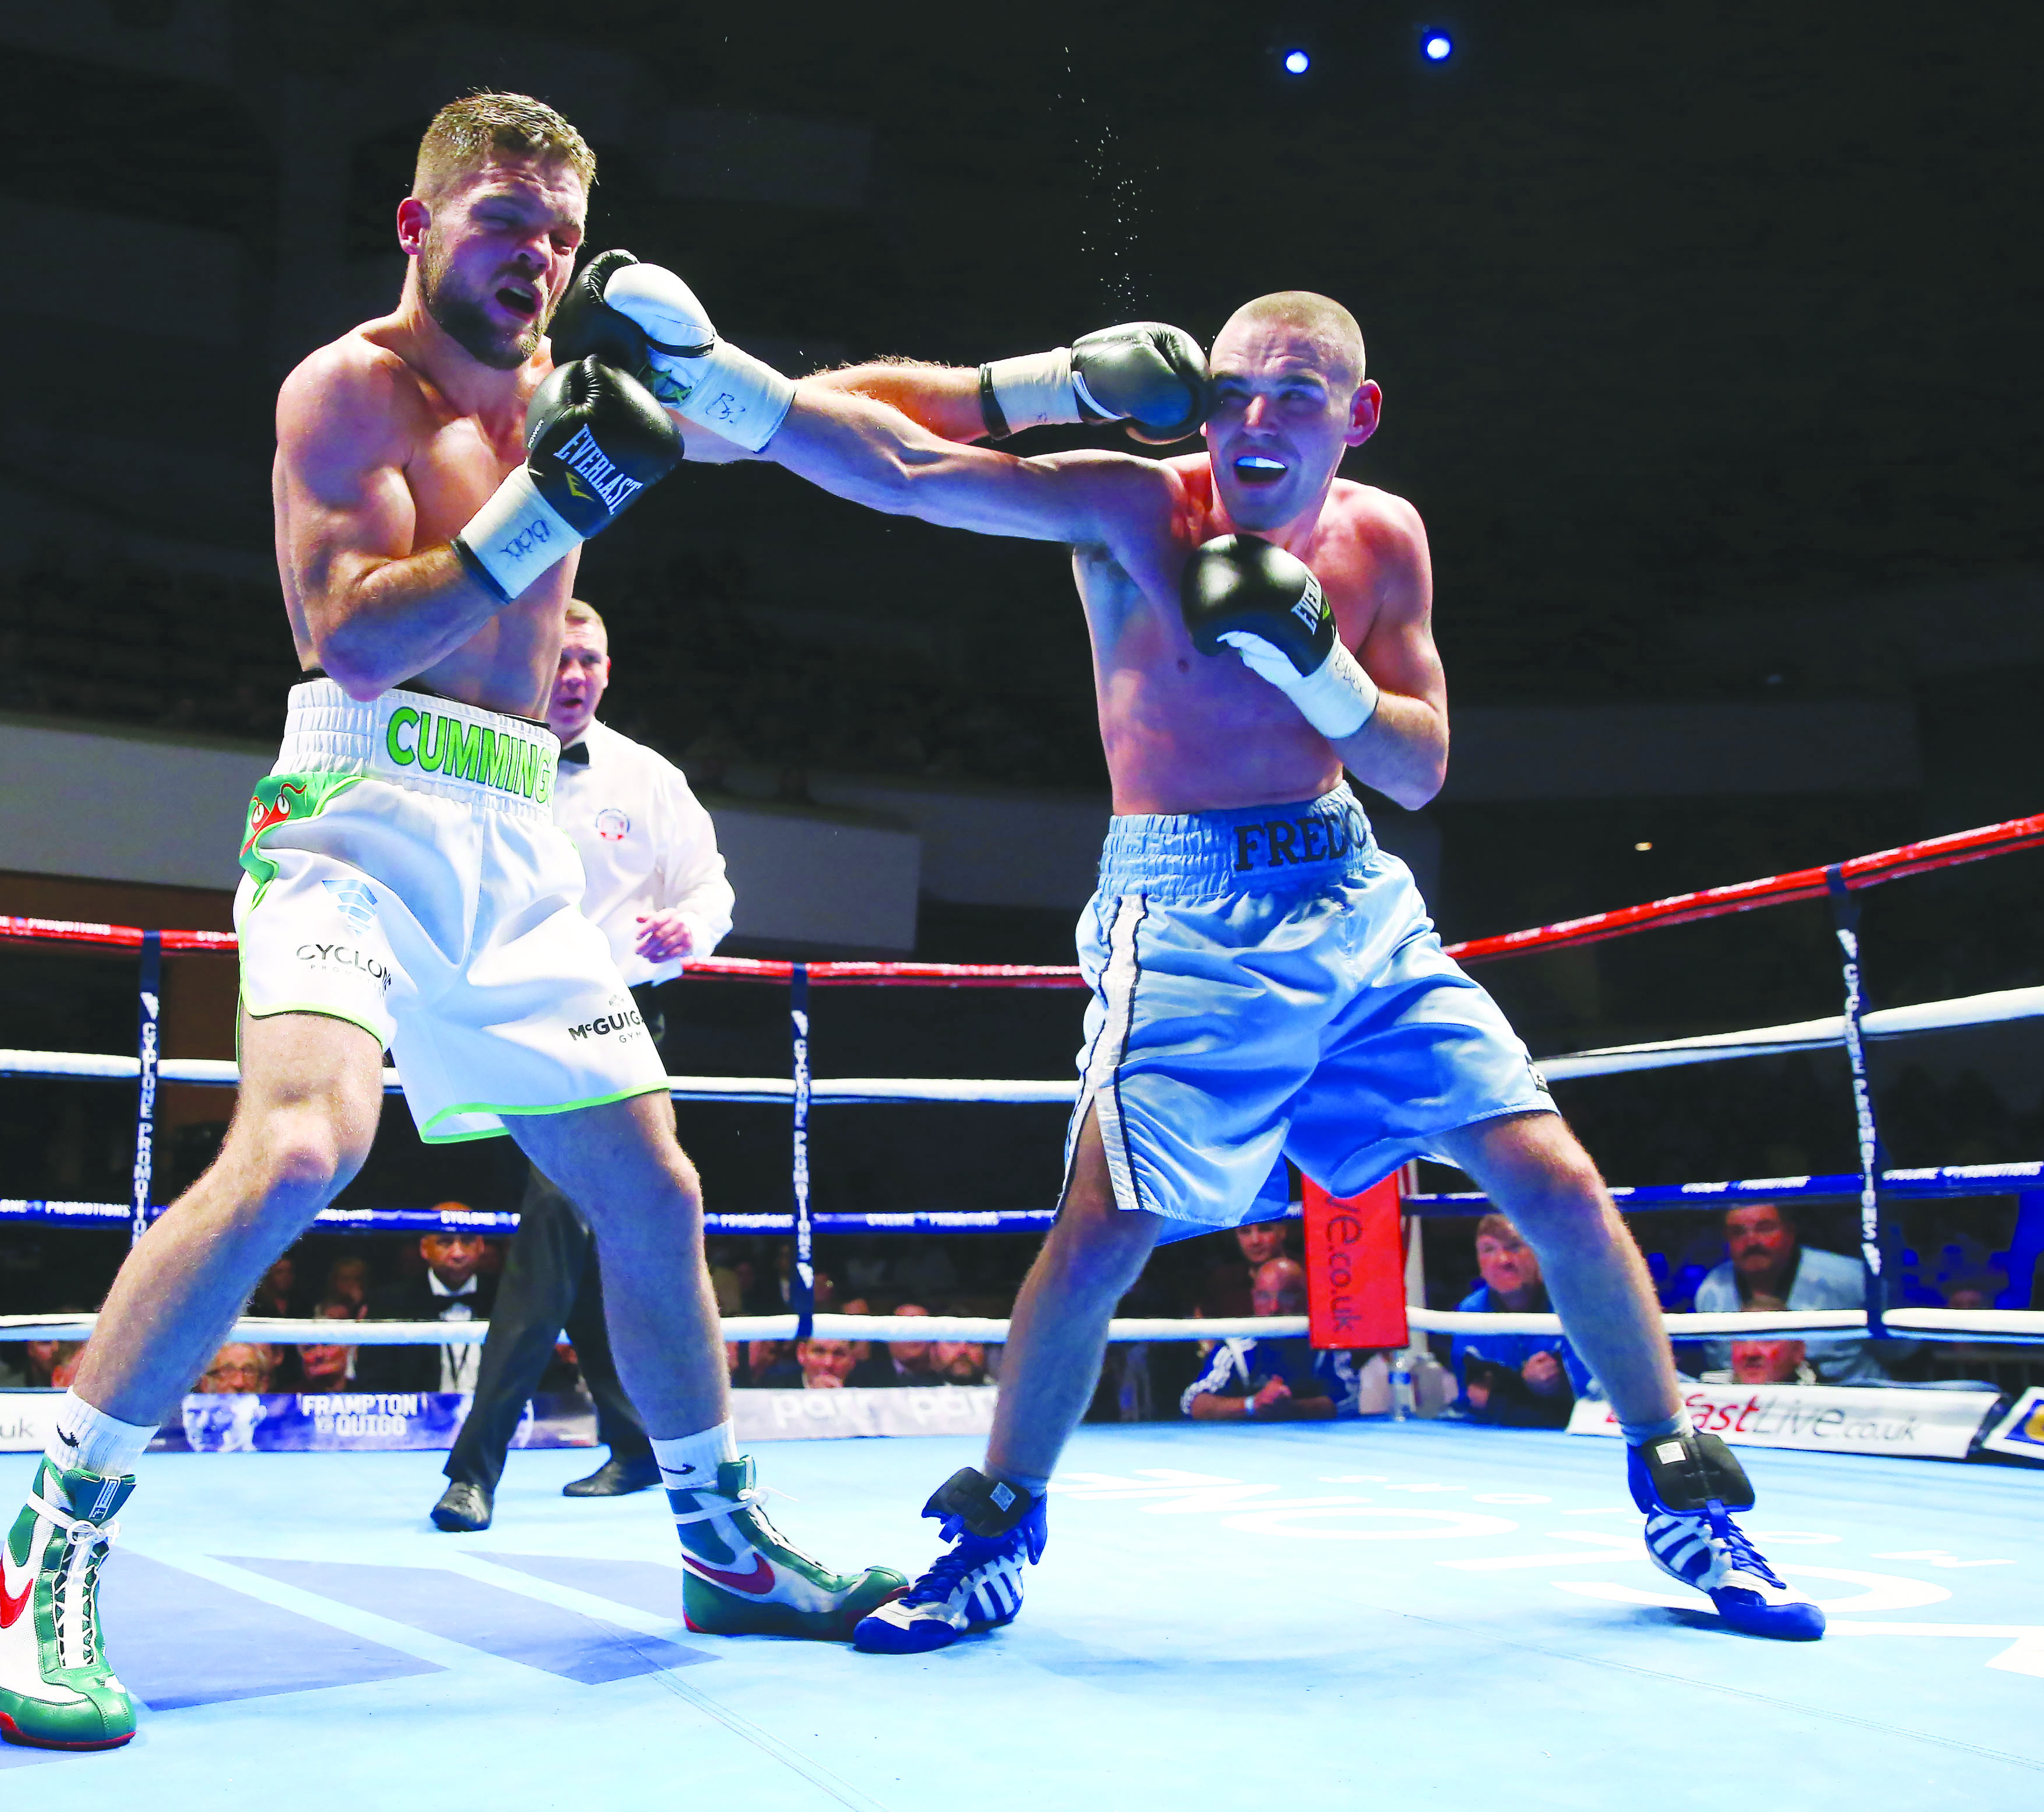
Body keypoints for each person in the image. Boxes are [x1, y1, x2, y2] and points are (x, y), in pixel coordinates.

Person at [549, 261, 1820, 1646]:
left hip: (1349, 890)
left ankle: (1689, 1501)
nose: (1254, 420)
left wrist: (1317, 663)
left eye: (1293, 395)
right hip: (1186, 909)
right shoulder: (1134, 504)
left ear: (1359, 415)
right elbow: (908, 464)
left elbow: (1421, 766)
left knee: (1555, 1177)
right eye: (1229, 394)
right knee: (1104, 1228)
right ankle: (989, 1534)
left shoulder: (1385, 543)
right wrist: (714, 369)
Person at [0, 92, 900, 1753]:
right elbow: (353, 638)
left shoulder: (568, 388)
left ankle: (717, 1535)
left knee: (651, 1182)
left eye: (556, 229)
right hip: (358, 808)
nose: (534, 256)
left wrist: (1035, 398)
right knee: (301, 1148)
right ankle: (44, 1549)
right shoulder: (350, 391)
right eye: (499, 221)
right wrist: (554, 500)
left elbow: (836, 422)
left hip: (513, 825)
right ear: (418, 225)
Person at [430, 596, 734, 1531]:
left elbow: (710, 884)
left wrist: (692, 930)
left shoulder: (647, 778)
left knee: (554, 1232)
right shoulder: (483, 768)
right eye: (558, 658)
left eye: (588, 661)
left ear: (608, 669)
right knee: (588, 1227)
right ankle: (636, 1438)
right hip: (504, 1022)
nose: (572, 677)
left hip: (616, 1023)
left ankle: (473, 1467)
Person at [1694, 1202, 1888, 1383]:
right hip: (1751, 1410)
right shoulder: (1712, 1292)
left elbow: (1902, 1353)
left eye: (1765, 1228)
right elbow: (1722, 1370)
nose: (1751, 1241)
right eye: (1738, 1232)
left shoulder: (1851, 1279)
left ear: (1790, 1232)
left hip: (1859, 1405)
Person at [1448, 1213, 1594, 1428]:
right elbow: (1476, 1400)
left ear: (1539, 1254)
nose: (1503, 1260)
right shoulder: (1471, 1313)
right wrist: (1525, 1385)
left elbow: (1589, 1408)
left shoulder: (1573, 1307)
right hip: (1493, 1439)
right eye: (1489, 1249)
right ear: (1479, 1262)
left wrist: (1558, 1386)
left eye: (1515, 1246)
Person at [1182, 1257, 1355, 1421]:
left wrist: (1294, 1409)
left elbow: (1350, 1401)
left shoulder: (1326, 1345)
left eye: (1286, 1296)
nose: (1274, 1307)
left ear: (1306, 1298)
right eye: (1264, 1296)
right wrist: (1252, 1405)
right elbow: (1194, 1403)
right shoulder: (1238, 1348)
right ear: (1253, 1297)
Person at [370, 1229, 499, 1398]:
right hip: (417, 1421)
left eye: (467, 1241)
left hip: (494, 1420)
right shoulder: (390, 1303)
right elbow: (374, 1382)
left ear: (481, 1245)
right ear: (425, 1248)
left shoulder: (507, 1299)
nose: (458, 1254)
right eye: (445, 1242)